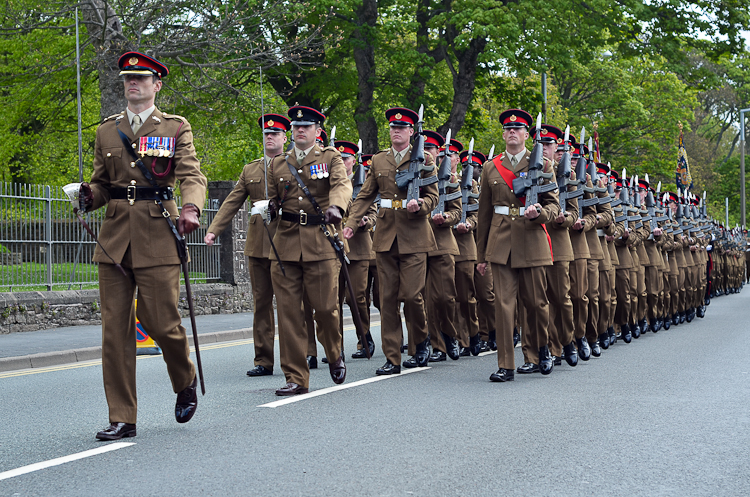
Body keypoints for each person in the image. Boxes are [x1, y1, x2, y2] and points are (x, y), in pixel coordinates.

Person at [78, 52, 207, 440]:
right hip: (115, 239)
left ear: (157, 84)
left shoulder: (173, 126)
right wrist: (87, 195)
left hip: (157, 232)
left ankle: (184, 378)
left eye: (141, 78)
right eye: (128, 79)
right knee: (114, 330)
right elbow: (102, 184)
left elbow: (191, 173)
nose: (133, 83)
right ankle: (122, 416)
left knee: (160, 322)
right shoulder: (106, 130)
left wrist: (190, 207)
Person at [264, 106, 351, 396]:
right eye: (296, 127)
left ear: (317, 131)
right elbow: (274, 197)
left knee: (326, 309)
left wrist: (336, 206)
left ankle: (334, 351)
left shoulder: (330, 157)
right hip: (286, 245)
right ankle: (296, 377)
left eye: (307, 126)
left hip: (320, 241)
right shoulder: (278, 163)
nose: (300, 130)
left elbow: (342, 184)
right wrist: (272, 207)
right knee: (289, 314)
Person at [344, 107, 439, 375]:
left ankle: (420, 341)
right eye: (393, 128)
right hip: (386, 237)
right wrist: (351, 224)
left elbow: (434, 196)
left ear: (411, 132)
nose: (396, 131)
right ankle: (392, 356)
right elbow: (365, 195)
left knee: (411, 296)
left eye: (402, 128)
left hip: (415, 236)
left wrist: (420, 205)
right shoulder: (379, 161)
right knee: (387, 299)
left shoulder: (424, 160)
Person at [476, 109, 560, 382]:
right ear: (503, 134)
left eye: (518, 129)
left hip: (532, 238)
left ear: (527, 135)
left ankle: (540, 351)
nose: (512, 132)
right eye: (508, 129)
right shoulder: (491, 166)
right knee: (503, 305)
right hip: (501, 242)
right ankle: (506, 364)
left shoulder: (542, 165)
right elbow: (484, 214)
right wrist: (480, 256)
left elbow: (554, 205)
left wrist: (540, 215)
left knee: (536, 303)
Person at [204, 113, 290, 377]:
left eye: (275, 134)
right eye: (266, 134)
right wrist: (213, 230)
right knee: (261, 304)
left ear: (285, 138)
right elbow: (232, 201)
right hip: (258, 244)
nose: (270, 137)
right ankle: (263, 360)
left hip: (287, 241)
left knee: (289, 304)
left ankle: (295, 358)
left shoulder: (294, 166)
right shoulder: (251, 170)